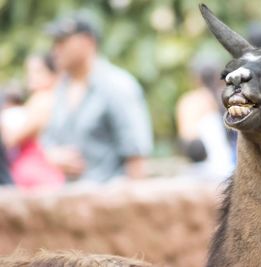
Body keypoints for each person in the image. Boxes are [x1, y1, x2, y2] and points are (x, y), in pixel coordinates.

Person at [41, 13, 153, 183]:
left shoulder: (117, 86)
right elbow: (47, 142)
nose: (55, 50)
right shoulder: (60, 88)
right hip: (68, 200)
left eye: (62, 42)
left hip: (109, 202)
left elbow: (137, 158)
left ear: (87, 41)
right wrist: (52, 156)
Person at [1, 54, 65, 190]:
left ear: (53, 73)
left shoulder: (44, 99)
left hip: (36, 170)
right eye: (29, 71)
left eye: (38, 71)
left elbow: (12, 139)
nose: (31, 77)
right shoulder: (50, 98)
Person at [176, 55, 234, 180]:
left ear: (196, 78)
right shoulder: (231, 99)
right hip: (231, 168)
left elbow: (191, 144)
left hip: (204, 172)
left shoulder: (191, 102)